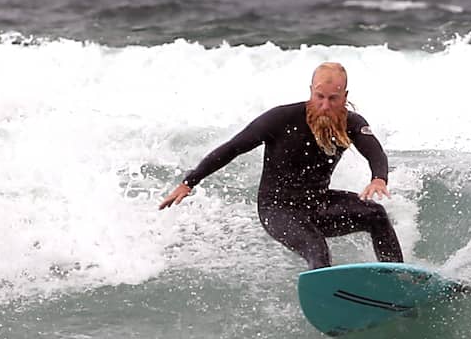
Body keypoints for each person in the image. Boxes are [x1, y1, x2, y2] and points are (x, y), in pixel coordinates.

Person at [159, 62, 404, 270]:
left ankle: (397, 279)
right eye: (319, 97)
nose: (325, 106)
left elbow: (375, 152)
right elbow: (233, 147)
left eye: (333, 98)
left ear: (345, 97)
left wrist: (378, 178)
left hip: (318, 203)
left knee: (376, 215)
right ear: (311, 91)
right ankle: (327, 300)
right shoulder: (281, 119)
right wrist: (189, 182)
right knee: (316, 246)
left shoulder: (351, 123)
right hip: (277, 209)